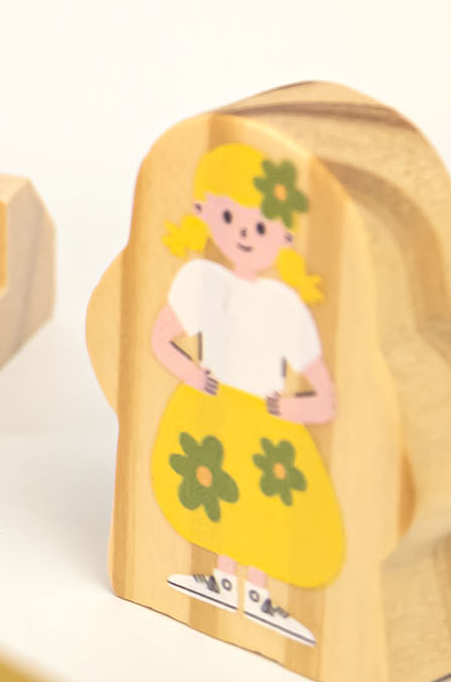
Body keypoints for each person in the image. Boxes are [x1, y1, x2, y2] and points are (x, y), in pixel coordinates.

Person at [145, 143, 345, 645]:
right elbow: (160, 339)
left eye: (259, 227)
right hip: (212, 406)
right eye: (230, 217)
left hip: (264, 419)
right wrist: (192, 375)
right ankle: (221, 578)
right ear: (204, 213)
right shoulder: (201, 280)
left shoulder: (285, 305)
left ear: (285, 237)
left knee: (263, 503)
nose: (242, 234)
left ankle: (257, 593)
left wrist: (291, 407)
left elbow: (326, 396)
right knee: (217, 492)